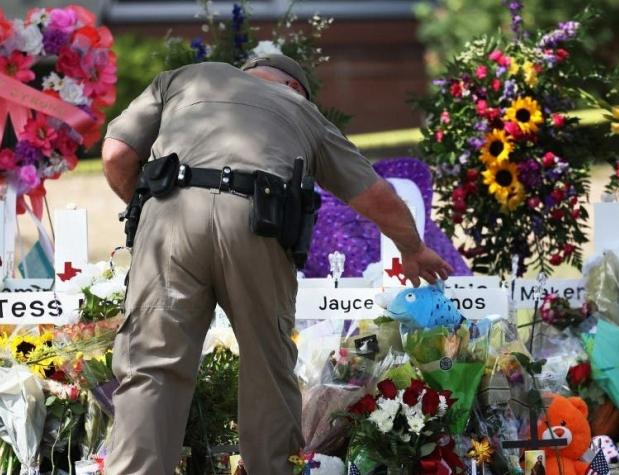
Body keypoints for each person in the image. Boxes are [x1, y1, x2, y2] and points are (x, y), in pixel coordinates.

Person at [101, 54, 453, 474]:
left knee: (151, 368)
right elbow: (373, 193)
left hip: (170, 219)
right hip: (256, 221)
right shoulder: (303, 111)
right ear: (293, 88)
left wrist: (149, 217)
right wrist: (413, 248)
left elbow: (116, 153)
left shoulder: (185, 79)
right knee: (267, 368)